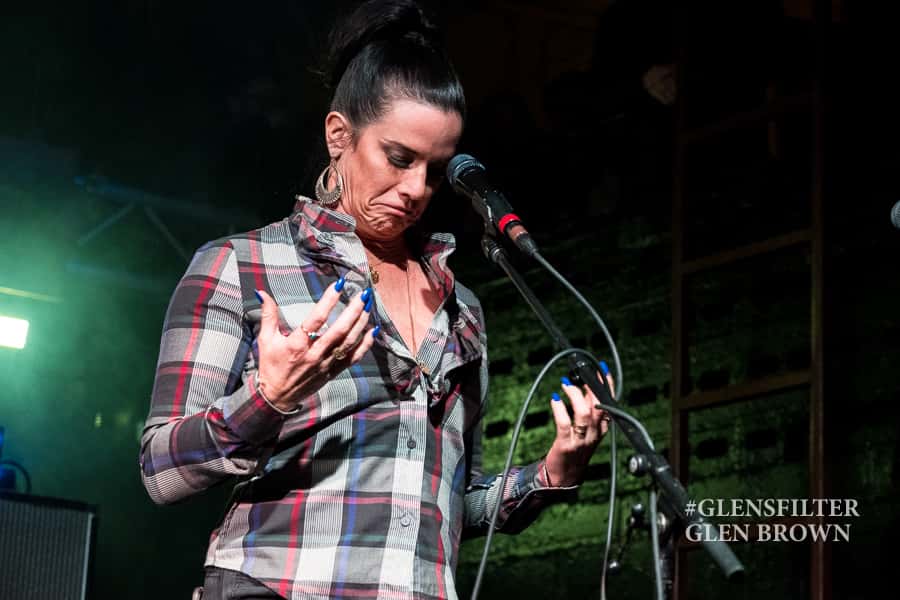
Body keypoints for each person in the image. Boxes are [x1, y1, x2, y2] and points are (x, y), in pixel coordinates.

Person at [140, 2, 610, 598]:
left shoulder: (461, 309)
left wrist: (552, 472)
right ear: (339, 136)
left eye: (434, 171)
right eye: (399, 158)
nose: (415, 189)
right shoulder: (240, 265)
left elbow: (445, 504)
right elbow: (161, 470)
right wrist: (268, 399)